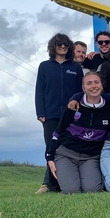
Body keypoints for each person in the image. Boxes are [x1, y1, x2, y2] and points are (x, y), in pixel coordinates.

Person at [45, 72, 110, 194]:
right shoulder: (73, 106)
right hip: (66, 154)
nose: (93, 86)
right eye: (89, 83)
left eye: (96, 82)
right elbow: (57, 132)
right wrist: (49, 157)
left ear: (102, 85)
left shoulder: (109, 108)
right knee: (72, 191)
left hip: (91, 157)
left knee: (91, 190)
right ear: (83, 88)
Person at [35, 33, 83, 194]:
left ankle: (66, 183)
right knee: (51, 148)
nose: (62, 47)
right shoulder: (44, 66)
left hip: (71, 115)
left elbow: (80, 92)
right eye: (59, 44)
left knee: (69, 147)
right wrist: (40, 112)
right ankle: (49, 184)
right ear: (53, 46)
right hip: (51, 115)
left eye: (66, 45)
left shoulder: (75, 67)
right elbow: (39, 91)